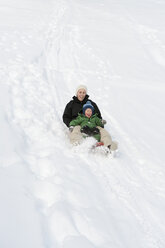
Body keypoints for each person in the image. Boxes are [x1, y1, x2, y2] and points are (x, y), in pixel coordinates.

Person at [62, 85, 118, 151]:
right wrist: (71, 125)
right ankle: (76, 143)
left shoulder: (92, 104)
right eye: (80, 92)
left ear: (86, 94)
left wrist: (100, 124)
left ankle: (108, 145)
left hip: (92, 122)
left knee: (103, 131)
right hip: (78, 123)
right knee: (76, 129)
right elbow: (66, 116)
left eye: (83, 92)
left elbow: (98, 116)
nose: (82, 94)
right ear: (77, 93)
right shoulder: (71, 104)